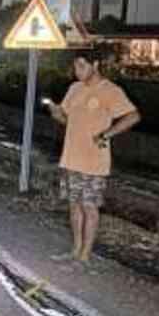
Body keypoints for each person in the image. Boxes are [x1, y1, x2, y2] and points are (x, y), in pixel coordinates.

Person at [45, 49, 140, 265]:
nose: (77, 71)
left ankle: (86, 254)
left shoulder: (110, 91)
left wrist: (107, 134)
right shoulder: (74, 88)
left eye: (81, 66)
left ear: (94, 64)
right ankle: (75, 249)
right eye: (75, 66)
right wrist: (56, 112)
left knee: (90, 207)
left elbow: (133, 116)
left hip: (93, 161)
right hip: (71, 158)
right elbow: (67, 120)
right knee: (74, 205)